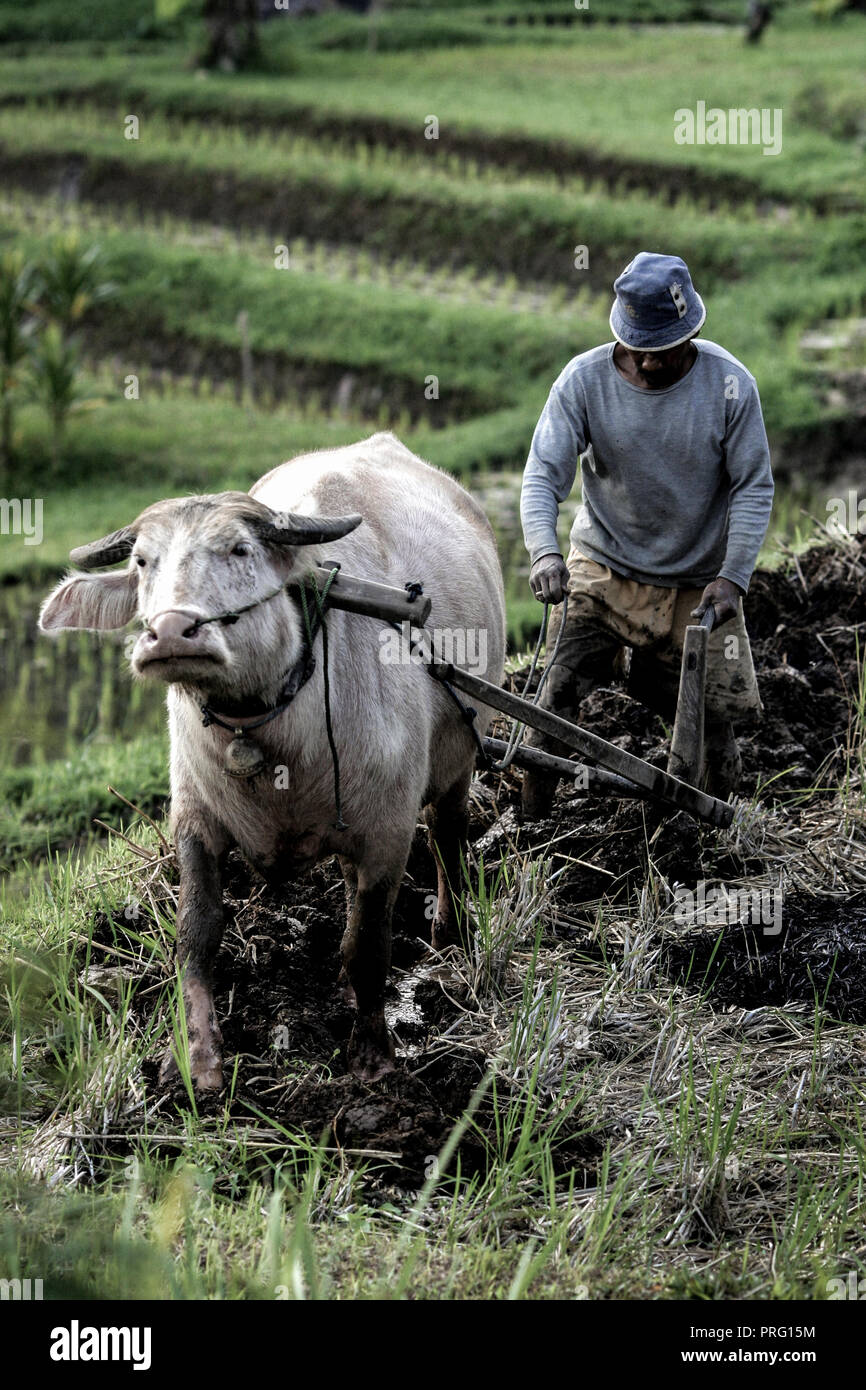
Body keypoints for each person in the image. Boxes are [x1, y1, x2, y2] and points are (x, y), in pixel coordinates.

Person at [519, 251, 774, 820]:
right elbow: (542, 475)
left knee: (711, 729)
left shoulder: (730, 387)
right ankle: (530, 828)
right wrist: (544, 550)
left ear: (692, 334)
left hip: (694, 586)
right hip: (602, 570)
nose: (647, 362)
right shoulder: (582, 382)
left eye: (661, 351)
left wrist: (732, 579)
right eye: (638, 348)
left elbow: (753, 487)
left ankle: (719, 833)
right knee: (554, 697)